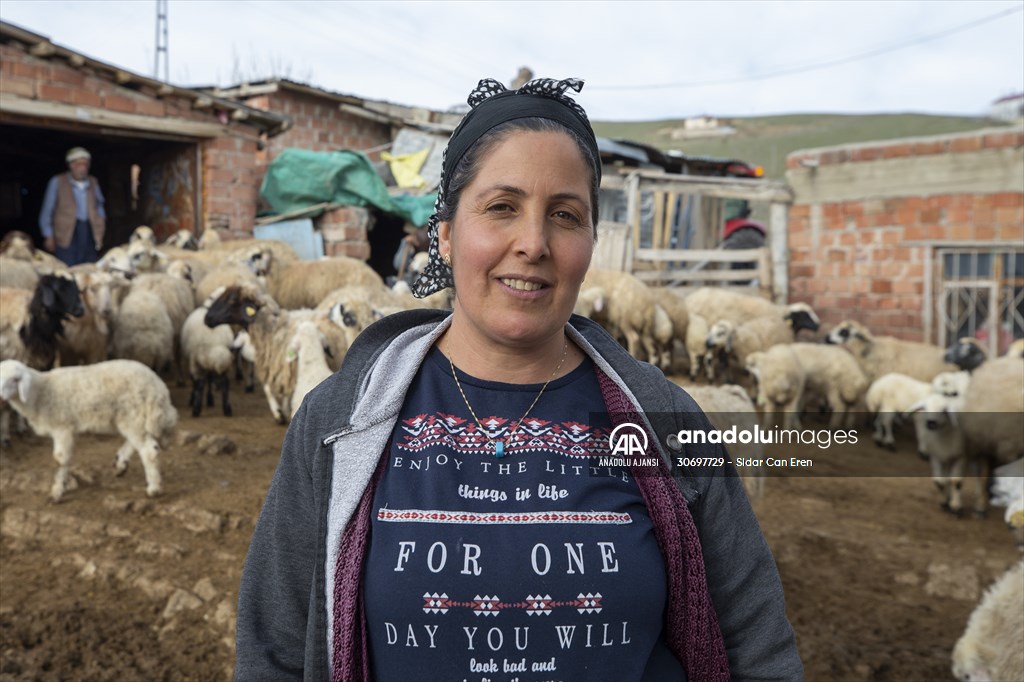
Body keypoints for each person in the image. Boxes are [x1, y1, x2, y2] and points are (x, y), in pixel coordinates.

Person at [235, 77, 803, 681]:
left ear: (590, 241)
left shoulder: (664, 418)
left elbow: (756, 647)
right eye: (501, 207)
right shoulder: (340, 421)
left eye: (564, 215)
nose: (533, 244)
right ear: (447, 234)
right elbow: (275, 648)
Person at [39, 146, 106, 266]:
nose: (83, 168)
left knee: (88, 266)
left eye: (86, 164)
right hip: (66, 233)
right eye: (79, 164)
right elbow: (47, 210)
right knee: (67, 267)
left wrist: (101, 225)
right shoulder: (57, 182)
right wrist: (48, 235)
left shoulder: (93, 182)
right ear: (71, 165)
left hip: (88, 231)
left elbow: (99, 206)